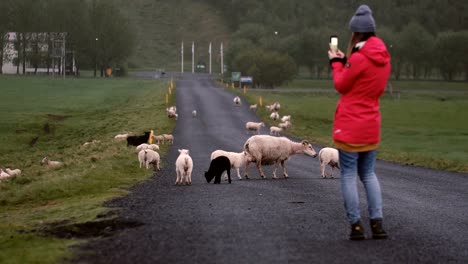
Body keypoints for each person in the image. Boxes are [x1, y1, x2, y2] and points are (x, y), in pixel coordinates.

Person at [328, 4, 391, 240]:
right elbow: (372, 85)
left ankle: (355, 224)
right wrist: (348, 61)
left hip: (350, 126)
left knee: (347, 175)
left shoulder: (359, 58)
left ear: (356, 33)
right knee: (368, 174)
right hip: (371, 125)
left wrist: (336, 63)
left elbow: (342, 84)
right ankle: (377, 223)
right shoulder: (383, 59)